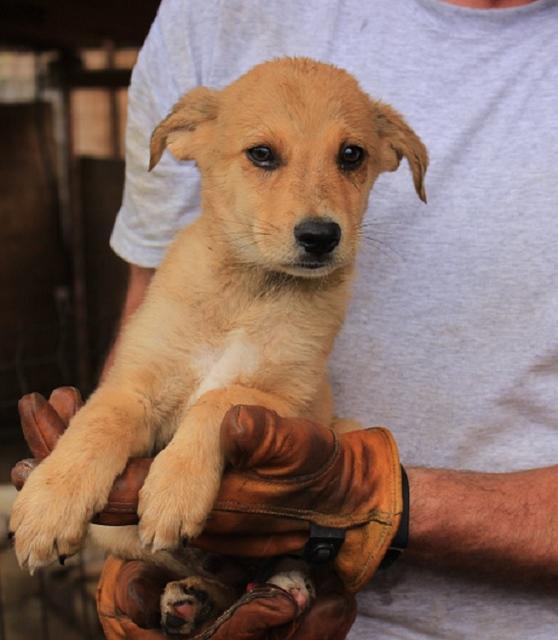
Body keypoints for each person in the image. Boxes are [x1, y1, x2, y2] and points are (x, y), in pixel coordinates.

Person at [105, 0, 558, 637]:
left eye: (350, 158)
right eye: (264, 155)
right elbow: (147, 321)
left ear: (391, 158)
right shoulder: (209, 15)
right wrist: (119, 520)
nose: (316, 210)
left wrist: (374, 507)